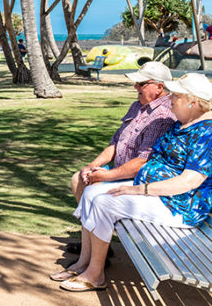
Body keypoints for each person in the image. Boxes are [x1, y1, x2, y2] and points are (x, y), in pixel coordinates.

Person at [54, 73, 212, 292]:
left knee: (104, 203)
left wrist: (139, 189)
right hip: (158, 195)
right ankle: (85, 263)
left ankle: (95, 275)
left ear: (193, 102)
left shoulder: (210, 133)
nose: (170, 99)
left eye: (175, 95)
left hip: (179, 205)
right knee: (91, 193)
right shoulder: (185, 123)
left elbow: (188, 182)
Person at [70, 60, 176, 204]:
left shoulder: (163, 116)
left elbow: (142, 162)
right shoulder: (137, 105)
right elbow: (116, 142)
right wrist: (91, 166)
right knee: (79, 178)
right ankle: (91, 224)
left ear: (159, 87)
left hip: (138, 179)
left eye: (141, 83)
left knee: (93, 190)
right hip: (118, 170)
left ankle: (94, 225)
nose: (135, 86)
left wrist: (105, 176)